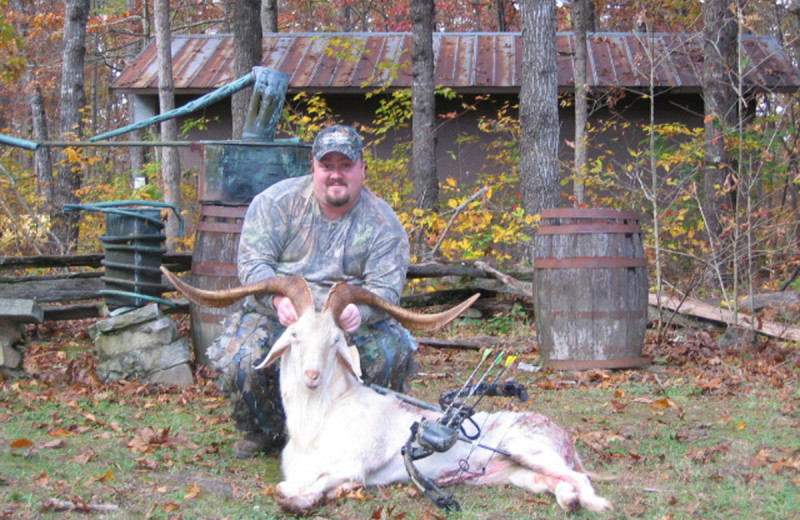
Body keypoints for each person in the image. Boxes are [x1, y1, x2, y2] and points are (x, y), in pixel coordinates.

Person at [206, 124, 418, 458]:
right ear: (313, 167)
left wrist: (360, 313)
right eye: (327, 166)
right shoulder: (275, 203)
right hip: (281, 314)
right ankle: (269, 430)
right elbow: (253, 264)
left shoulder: (384, 223)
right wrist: (277, 299)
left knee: (392, 353)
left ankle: (359, 429)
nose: (336, 175)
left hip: (347, 320)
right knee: (241, 358)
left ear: (362, 168)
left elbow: (386, 289)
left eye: (346, 166)